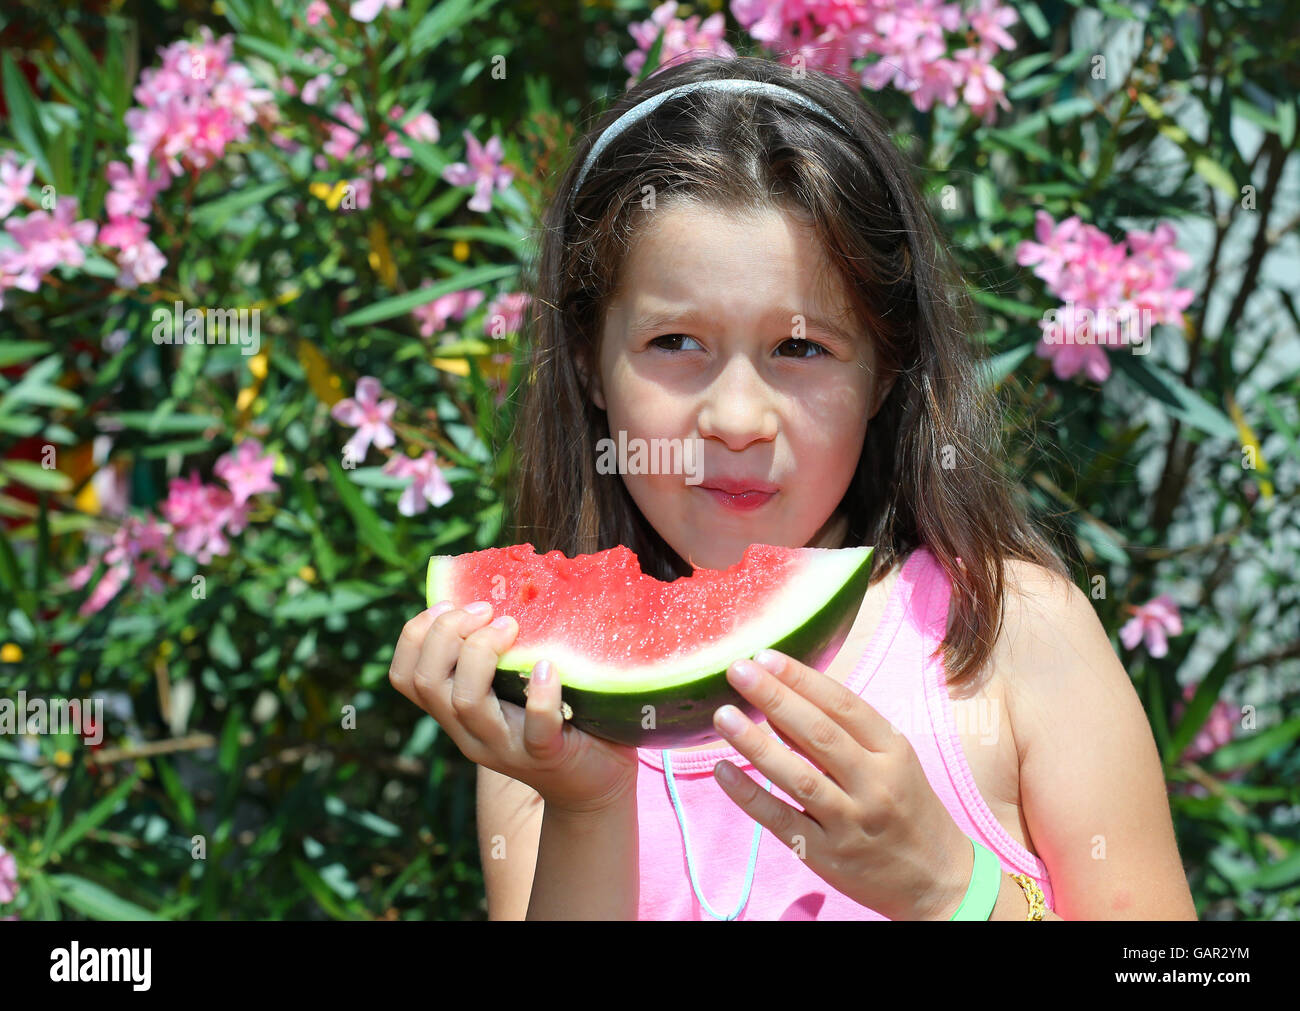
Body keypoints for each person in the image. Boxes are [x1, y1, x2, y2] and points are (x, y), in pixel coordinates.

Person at [388, 54, 1198, 921]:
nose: (738, 417)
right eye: (674, 343)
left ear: (886, 371)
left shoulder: (1010, 632)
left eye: (801, 349)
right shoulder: (543, 703)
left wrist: (949, 891)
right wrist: (586, 808)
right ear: (589, 364)